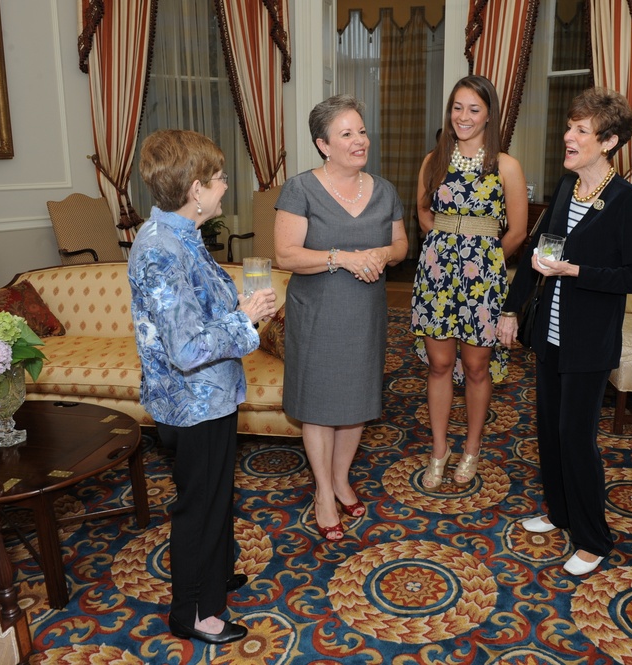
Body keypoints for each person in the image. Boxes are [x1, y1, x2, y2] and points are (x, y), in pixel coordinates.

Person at [128, 129, 277, 644]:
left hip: (211, 395)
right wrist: (246, 319)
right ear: (195, 189)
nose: (225, 185)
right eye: (218, 179)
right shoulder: (160, 250)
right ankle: (191, 610)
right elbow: (187, 348)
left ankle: (213, 577)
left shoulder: (183, 236)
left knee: (216, 497)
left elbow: (199, 311)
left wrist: (241, 310)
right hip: (191, 402)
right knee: (198, 505)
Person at [497, 88, 632, 576]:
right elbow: (538, 256)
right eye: (570, 125)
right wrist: (509, 309)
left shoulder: (625, 201)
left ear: (607, 141)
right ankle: (560, 513)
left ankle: (593, 538)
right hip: (550, 335)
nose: (568, 136)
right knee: (549, 428)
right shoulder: (568, 189)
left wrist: (576, 272)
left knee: (576, 437)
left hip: (589, 343)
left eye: (581, 130)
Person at [274, 94, 407, 542]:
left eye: (362, 131)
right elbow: (286, 254)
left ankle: (341, 477)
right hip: (318, 313)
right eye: (347, 134)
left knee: (355, 403)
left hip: (365, 313)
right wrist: (342, 258)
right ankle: (323, 493)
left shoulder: (385, 190)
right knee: (319, 403)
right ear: (323, 144)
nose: (359, 140)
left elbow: (401, 247)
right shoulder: (300, 189)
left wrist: (382, 253)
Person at [410, 75, 528, 490]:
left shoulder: (506, 166)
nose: (463, 116)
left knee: (477, 368)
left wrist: (487, 256)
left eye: (473, 109)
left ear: (489, 114)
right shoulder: (434, 160)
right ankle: (439, 452)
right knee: (440, 364)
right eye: (457, 107)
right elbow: (422, 212)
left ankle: (472, 450)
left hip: (483, 281)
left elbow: (517, 230)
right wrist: (440, 245)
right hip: (437, 276)